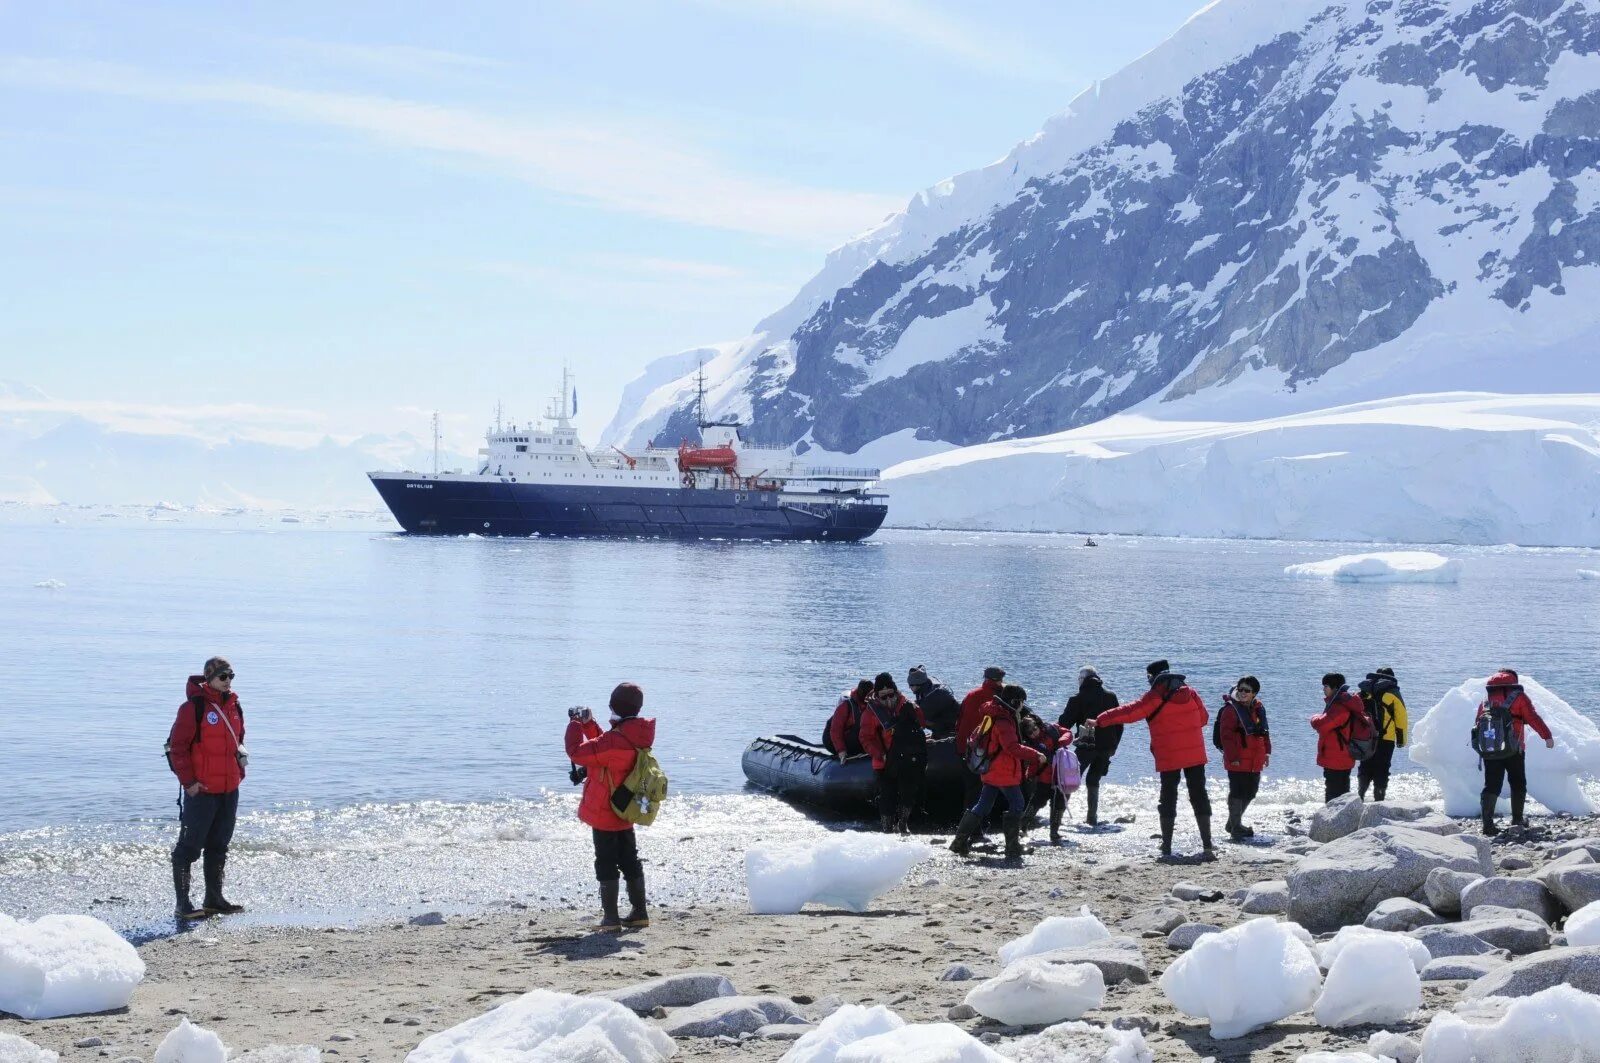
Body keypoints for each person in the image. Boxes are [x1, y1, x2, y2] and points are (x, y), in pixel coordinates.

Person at [1094, 660, 1214, 862]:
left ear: (1152, 677)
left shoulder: (1155, 696)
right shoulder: (1191, 693)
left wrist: (1100, 720)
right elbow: (1204, 719)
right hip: (1195, 755)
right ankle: (1207, 845)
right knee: (1199, 795)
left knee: (1168, 797)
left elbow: (1130, 712)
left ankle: (1166, 846)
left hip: (1169, 755)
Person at [565, 682, 655, 931]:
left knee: (605, 861)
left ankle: (611, 919)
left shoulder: (615, 741)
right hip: (625, 808)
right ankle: (639, 913)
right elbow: (606, 745)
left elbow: (577, 752)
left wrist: (574, 724)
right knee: (629, 859)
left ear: (614, 706)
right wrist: (589, 725)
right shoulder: (635, 735)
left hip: (605, 811)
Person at [166, 656, 247, 922]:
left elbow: (239, 741)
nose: (228, 681)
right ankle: (183, 904)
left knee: (219, 845)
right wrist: (188, 783)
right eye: (223, 677)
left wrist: (239, 774)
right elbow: (176, 748)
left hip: (228, 789)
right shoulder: (193, 708)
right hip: (201, 791)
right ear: (209, 677)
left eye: (231, 676)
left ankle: (214, 900)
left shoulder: (235, 705)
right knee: (188, 848)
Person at [950, 684, 1045, 860]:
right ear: (1015, 702)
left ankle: (959, 842)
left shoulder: (993, 714)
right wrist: (1036, 754)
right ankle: (1013, 847)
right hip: (1003, 771)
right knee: (1017, 803)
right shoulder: (1004, 720)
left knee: (983, 805)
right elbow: (1012, 747)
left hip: (991, 770)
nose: (1023, 706)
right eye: (1022, 702)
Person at [1477, 669, 1555, 836]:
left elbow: (1478, 724)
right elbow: (1533, 717)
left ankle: (1487, 826)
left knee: (1491, 785)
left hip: (1491, 750)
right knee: (1518, 782)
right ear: (1514, 681)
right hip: (1515, 749)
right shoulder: (1518, 697)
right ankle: (1517, 820)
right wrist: (1547, 736)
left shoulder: (1486, 700)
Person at [860, 673, 929, 833]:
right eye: (883, 697)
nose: (888, 700)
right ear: (877, 696)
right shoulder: (870, 713)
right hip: (884, 760)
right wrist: (879, 754)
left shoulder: (908, 705)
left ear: (896, 692)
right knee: (887, 797)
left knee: (909, 794)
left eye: (891, 695)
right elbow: (866, 738)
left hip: (907, 758)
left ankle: (903, 823)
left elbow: (921, 724)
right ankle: (887, 828)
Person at [1059, 666, 1121, 827]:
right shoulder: (1110, 696)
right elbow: (1119, 724)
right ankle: (1092, 818)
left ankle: (1057, 818)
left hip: (1086, 747)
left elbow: (1064, 724)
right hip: (1107, 746)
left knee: (1070, 780)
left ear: (1082, 680)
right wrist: (1115, 745)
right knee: (1093, 780)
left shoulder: (1077, 699)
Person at [1215, 676, 1270, 841]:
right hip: (1237, 759)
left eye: (1247, 690)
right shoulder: (1230, 710)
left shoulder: (1258, 708)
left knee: (1251, 792)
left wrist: (1267, 752)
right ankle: (1236, 827)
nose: (1243, 693)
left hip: (1255, 758)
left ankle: (1232, 823)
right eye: (1240, 689)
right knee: (1237, 791)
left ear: (1254, 693)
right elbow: (1226, 736)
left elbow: (1264, 733)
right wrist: (1233, 757)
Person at [957, 666, 1008, 820]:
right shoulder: (999, 698)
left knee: (971, 789)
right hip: (987, 751)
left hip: (966, 748)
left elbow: (959, 722)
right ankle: (977, 829)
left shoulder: (971, 695)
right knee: (984, 791)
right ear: (999, 680)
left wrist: (960, 746)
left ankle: (968, 826)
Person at [1311, 673, 1364, 802]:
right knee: (1342, 791)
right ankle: (1344, 817)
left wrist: (1313, 718)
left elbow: (1322, 725)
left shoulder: (1339, 706)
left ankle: (1331, 819)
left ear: (1335, 688)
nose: (1323, 689)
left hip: (1336, 756)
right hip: (1343, 755)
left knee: (1333, 793)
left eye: (1326, 686)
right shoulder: (1343, 703)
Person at [1019, 709, 1070, 844]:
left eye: (1034, 729)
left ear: (1038, 724)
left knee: (1059, 805)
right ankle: (1023, 826)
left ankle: (1054, 832)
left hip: (1061, 776)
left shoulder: (1052, 729)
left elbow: (1068, 733)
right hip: (1044, 777)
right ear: (1026, 735)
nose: (1033, 733)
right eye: (1029, 733)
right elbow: (1033, 763)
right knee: (1036, 802)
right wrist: (1029, 774)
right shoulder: (1030, 745)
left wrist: (1061, 742)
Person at [1357, 667, 1408, 802]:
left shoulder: (1365, 692)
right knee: (1382, 768)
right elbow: (1401, 717)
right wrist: (1401, 740)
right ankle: (1379, 799)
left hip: (1366, 737)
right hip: (1386, 738)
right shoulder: (1393, 693)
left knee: (1365, 765)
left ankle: (1360, 795)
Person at [822, 679, 873, 761]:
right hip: (833, 739)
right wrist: (841, 750)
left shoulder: (874, 706)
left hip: (858, 741)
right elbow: (835, 730)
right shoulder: (846, 706)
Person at [907, 665, 960, 738]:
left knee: (917, 719)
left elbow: (919, 719)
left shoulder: (932, 697)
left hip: (952, 725)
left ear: (918, 685)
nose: (909, 687)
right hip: (943, 715)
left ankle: (941, 735)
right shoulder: (927, 684)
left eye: (911, 685)